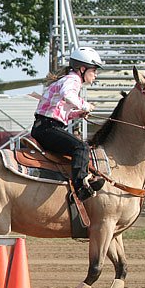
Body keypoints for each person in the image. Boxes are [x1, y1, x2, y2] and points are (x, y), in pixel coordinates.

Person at [31, 46, 105, 201]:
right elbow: (68, 95)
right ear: (83, 69)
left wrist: (77, 113)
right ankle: (80, 187)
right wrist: (85, 105)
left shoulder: (67, 80)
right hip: (48, 128)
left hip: (46, 126)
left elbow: (59, 112)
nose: (96, 75)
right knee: (81, 147)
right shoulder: (73, 80)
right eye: (94, 70)